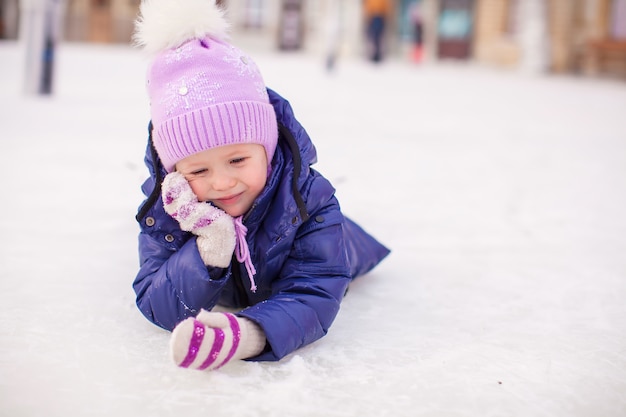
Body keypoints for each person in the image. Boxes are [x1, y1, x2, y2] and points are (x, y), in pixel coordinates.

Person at [132, 0, 390, 371]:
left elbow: (314, 291)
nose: (222, 182)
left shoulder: (309, 202)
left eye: (238, 160)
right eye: (198, 171)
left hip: (335, 240)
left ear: (267, 150)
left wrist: (248, 333)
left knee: (346, 245)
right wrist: (209, 249)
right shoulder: (170, 209)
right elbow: (155, 300)